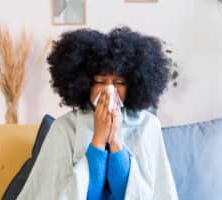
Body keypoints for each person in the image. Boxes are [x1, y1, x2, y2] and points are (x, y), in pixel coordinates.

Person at [16, 26, 178, 200]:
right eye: (100, 81)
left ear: (131, 85)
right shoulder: (64, 127)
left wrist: (116, 142)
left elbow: (140, 195)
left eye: (119, 82)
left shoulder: (147, 125)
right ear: (85, 83)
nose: (109, 89)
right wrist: (98, 141)